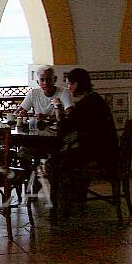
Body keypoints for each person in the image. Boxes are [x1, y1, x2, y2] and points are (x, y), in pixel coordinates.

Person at [52, 68, 119, 216]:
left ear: (76, 84)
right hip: (108, 152)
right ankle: (76, 198)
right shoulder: (95, 99)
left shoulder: (86, 104)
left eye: (70, 84)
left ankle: (62, 208)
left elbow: (64, 128)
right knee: (64, 157)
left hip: (99, 157)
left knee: (57, 163)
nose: (68, 88)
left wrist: (57, 106)